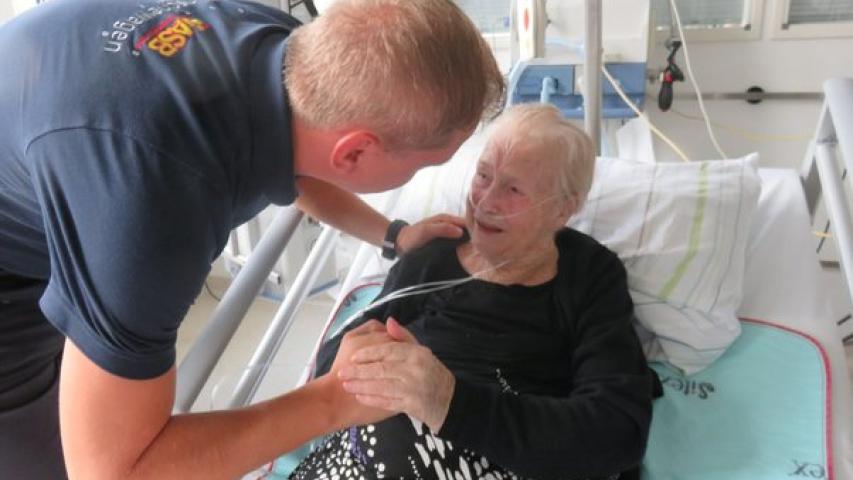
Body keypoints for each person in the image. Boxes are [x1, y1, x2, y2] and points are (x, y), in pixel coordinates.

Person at [0, 0, 504, 477]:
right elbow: (112, 473)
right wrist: (336, 399)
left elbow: (299, 163)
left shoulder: (278, 44)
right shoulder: (156, 206)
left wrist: (394, 235)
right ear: (354, 153)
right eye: (424, 166)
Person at [293, 104, 662, 480]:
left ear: (563, 209)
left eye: (513, 189)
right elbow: (332, 365)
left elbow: (616, 432)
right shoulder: (434, 253)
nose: (484, 203)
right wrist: (371, 365)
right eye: (483, 175)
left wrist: (448, 402)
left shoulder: (589, 274)